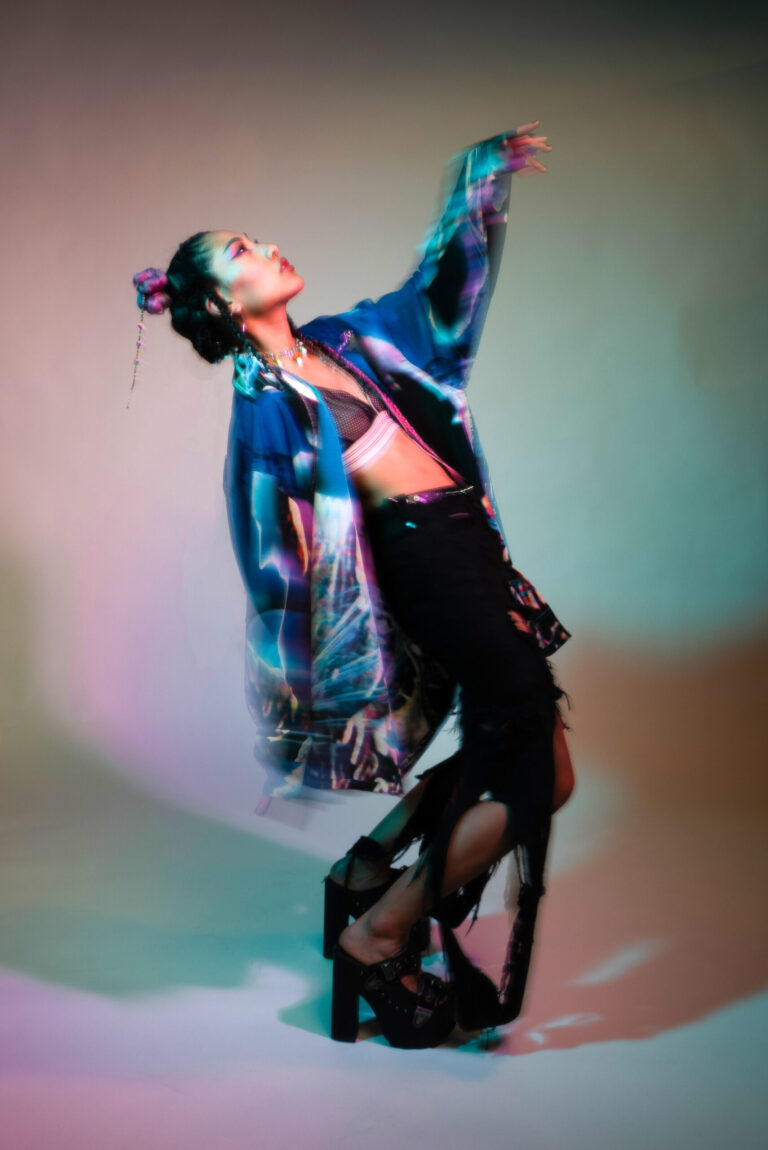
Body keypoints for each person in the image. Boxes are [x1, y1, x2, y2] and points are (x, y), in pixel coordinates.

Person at [132, 122, 575, 1049]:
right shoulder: (267, 412)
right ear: (222, 301)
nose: (267, 247)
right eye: (242, 251)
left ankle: (370, 870)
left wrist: (477, 187)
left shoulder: (340, 339)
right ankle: (378, 931)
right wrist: (315, 676)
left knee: (534, 755)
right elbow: (281, 555)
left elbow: (434, 305)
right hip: (430, 573)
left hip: (471, 549)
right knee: (537, 763)